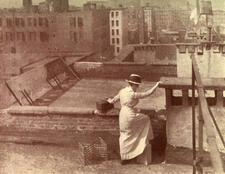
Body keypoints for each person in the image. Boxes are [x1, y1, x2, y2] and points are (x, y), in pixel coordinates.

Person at [107, 74, 161, 165]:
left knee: (125, 134)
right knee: (146, 118)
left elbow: (113, 100)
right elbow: (147, 93)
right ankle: (147, 138)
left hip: (122, 115)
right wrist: (156, 85)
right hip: (130, 115)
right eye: (137, 85)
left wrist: (108, 100)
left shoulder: (122, 91)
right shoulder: (133, 94)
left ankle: (124, 157)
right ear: (134, 85)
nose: (137, 87)